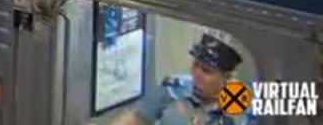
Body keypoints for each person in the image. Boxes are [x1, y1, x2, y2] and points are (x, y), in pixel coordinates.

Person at [107, 30, 256, 124]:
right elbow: (135, 118)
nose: (196, 74)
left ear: (226, 77)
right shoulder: (175, 88)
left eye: (206, 71)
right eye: (195, 65)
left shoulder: (244, 109)